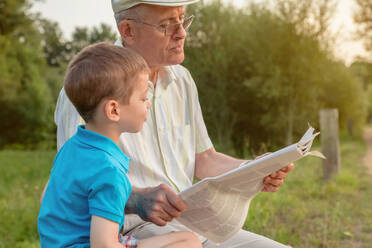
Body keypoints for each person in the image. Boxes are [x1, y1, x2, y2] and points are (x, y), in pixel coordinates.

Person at [52, 0, 295, 247]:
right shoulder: (89, 90)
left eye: (183, 20)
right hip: (133, 231)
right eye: (167, 25)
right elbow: (71, 185)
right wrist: (137, 201)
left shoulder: (183, 80)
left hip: (195, 224)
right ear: (128, 31)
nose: (182, 33)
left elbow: (204, 158)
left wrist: (253, 169)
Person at [38, 42, 202, 248]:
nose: (148, 103)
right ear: (114, 110)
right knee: (188, 245)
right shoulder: (109, 172)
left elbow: (48, 198)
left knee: (189, 239)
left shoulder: (73, 147)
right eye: (143, 98)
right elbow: (104, 245)